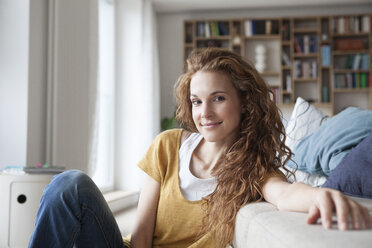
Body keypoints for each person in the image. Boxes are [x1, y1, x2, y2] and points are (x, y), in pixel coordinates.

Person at [29, 47, 371, 248]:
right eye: (196, 101)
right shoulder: (166, 146)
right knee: (69, 184)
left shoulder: (252, 170)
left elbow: (285, 193)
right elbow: (143, 236)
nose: (204, 113)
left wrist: (322, 195)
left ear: (245, 103)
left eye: (218, 99)